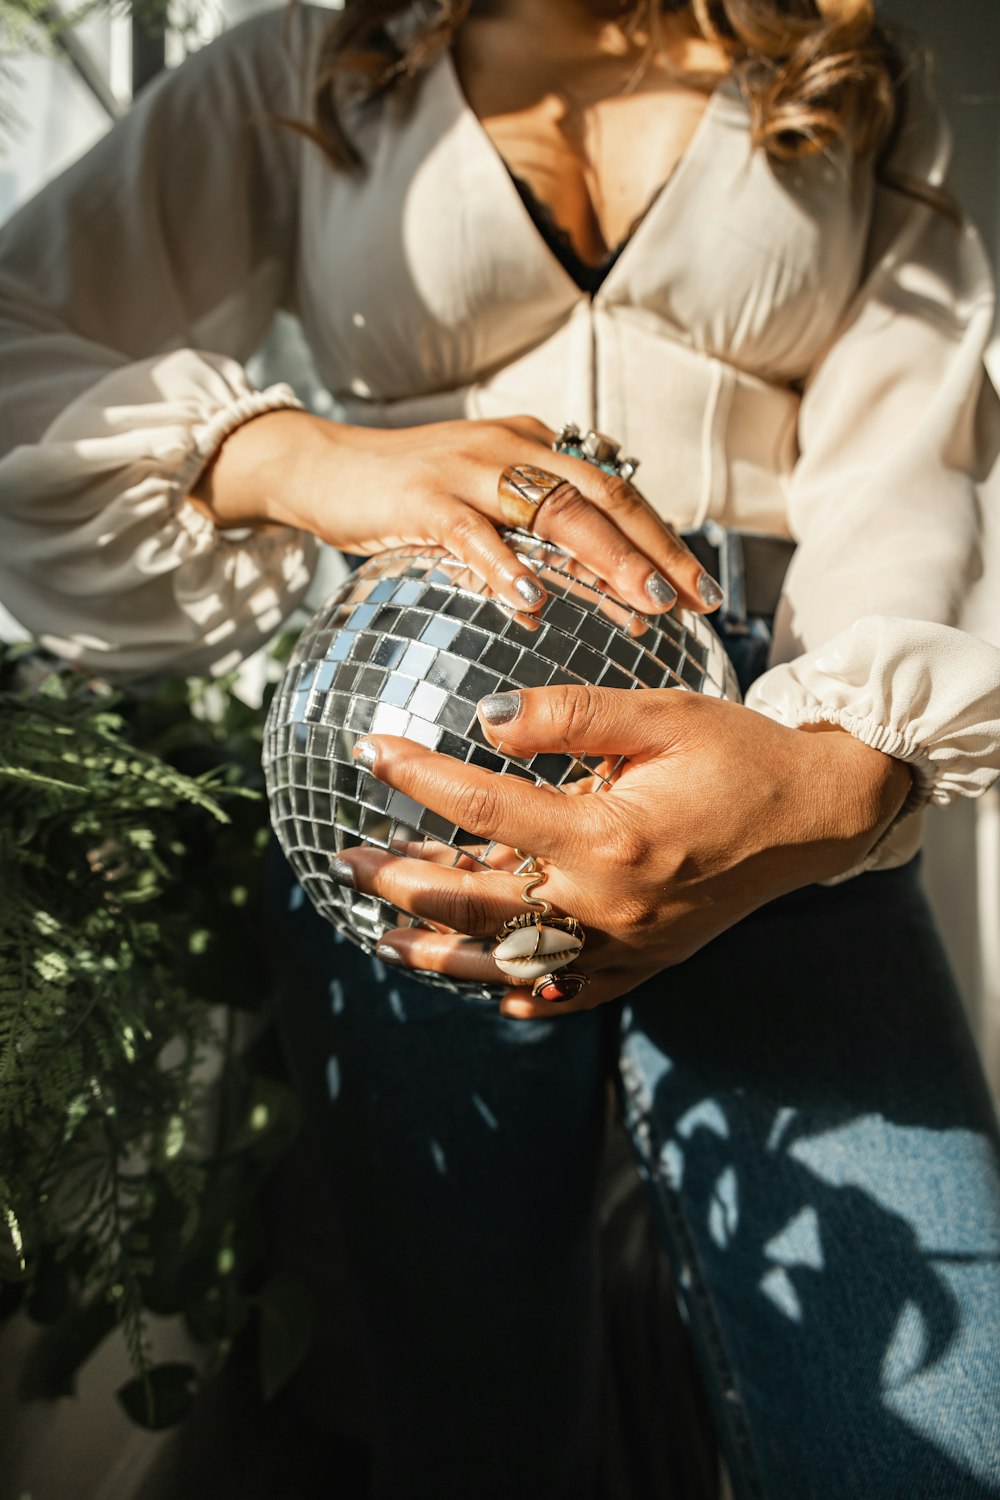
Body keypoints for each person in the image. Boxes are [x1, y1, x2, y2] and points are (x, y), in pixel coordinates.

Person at [1, 1, 999, 1495]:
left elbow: (923, 448)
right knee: (475, 1411)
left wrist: (838, 780)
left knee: (932, 1421)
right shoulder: (314, 60)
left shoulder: (842, 65)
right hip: (401, 755)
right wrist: (292, 456)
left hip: (773, 735)